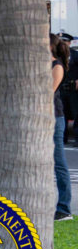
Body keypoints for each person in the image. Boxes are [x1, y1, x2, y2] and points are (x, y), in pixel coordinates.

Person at [51, 34, 73, 221]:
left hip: (53, 117)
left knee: (59, 163)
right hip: (40, 119)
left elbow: (47, 92)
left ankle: (64, 209)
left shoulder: (56, 66)